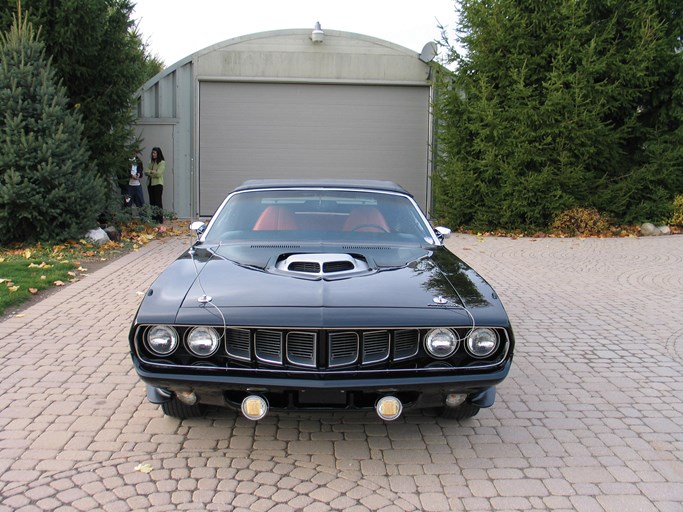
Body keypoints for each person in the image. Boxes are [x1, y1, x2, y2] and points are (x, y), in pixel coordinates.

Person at [146, 147, 166, 223]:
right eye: (152, 153)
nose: (153, 154)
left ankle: (159, 218)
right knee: (152, 201)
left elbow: (158, 173)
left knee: (158, 201)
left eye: (155, 153)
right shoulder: (150, 162)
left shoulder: (162, 162)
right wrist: (152, 171)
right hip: (150, 184)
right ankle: (153, 218)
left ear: (158, 154)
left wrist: (150, 173)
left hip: (158, 184)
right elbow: (145, 171)